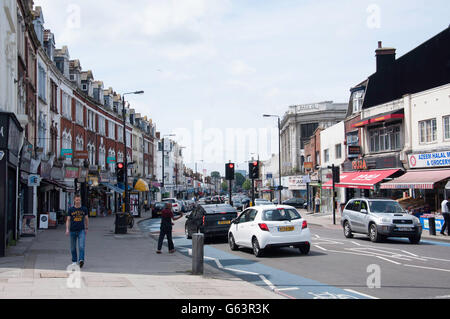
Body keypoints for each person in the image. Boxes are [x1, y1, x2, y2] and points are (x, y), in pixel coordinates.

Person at [66, 194, 89, 268]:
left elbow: (86, 219)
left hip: (81, 230)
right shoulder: (71, 209)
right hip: (72, 230)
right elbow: (68, 220)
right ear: (74, 200)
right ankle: (74, 261)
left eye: (79, 200)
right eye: (76, 200)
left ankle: (81, 260)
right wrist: (67, 229)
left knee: (81, 246)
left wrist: (87, 227)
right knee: (73, 247)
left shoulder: (84, 209)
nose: (78, 201)